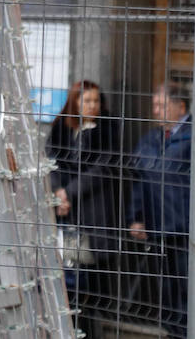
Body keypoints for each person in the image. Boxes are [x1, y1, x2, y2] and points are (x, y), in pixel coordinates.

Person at [128, 82, 195, 339]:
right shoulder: (151, 139)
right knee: (166, 292)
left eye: (162, 105)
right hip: (158, 230)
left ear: (180, 107)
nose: (156, 111)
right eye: (155, 106)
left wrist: (192, 222)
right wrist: (137, 217)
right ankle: (174, 333)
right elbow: (139, 179)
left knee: (189, 290)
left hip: (187, 233)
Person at [46, 79, 121, 337]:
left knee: (89, 283)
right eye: (86, 100)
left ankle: (88, 331)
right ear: (75, 101)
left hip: (93, 214)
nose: (92, 105)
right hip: (66, 213)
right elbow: (52, 162)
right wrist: (58, 194)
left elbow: (101, 169)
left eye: (96, 100)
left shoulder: (107, 130)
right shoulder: (61, 128)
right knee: (66, 278)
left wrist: (69, 193)